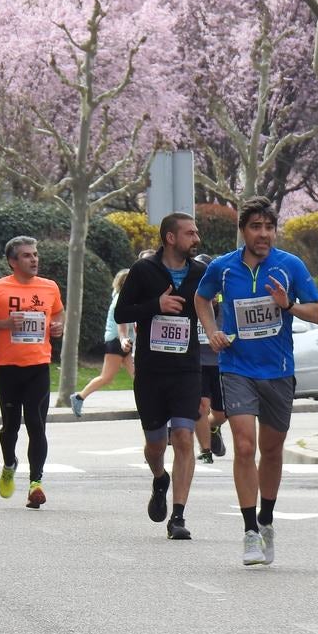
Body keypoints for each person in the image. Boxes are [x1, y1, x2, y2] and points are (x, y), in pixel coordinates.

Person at [196, 196, 318, 566]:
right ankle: (250, 530)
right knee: (243, 444)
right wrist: (212, 330)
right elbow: (201, 299)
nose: (264, 234)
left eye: (269, 227)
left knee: (271, 451)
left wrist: (288, 306)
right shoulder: (222, 267)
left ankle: (267, 521)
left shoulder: (290, 265)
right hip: (237, 367)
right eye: (256, 227)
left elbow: (317, 313)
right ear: (243, 230)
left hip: (278, 370)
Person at [114, 213, 206, 541]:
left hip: (186, 369)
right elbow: (121, 313)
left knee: (183, 437)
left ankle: (178, 516)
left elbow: (211, 307)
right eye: (190, 233)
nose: (196, 239)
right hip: (151, 372)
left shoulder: (200, 272)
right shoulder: (143, 270)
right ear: (170, 238)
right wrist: (156, 304)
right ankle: (159, 478)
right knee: (155, 444)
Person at [0, 236, 65, 509]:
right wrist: (5, 323)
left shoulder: (49, 287)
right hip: (9, 368)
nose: (34, 259)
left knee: (37, 425)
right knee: (10, 427)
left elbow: (58, 313)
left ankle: (36, 483)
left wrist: (58, 327)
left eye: (35, 254)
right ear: (13, 261)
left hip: (38, 366)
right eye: (26, 255)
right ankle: (10, 463)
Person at [70, 269, 134, 416]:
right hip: (117, 341)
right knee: (107, 377)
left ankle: (149, 404)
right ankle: (79, 397)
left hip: (121, 341)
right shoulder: (122, 299)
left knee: (137, 376)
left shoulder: (121, 296)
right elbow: (121, 321)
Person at [193, 254, 227, 465]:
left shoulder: (223, 297)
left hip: (221, 362)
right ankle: (205, 450)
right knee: (201, 406)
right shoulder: (193, 297)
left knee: (222, 414)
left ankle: (214, 428)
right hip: (197, 362)